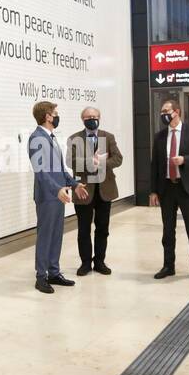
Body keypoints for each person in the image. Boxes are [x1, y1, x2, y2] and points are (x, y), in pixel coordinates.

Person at [28, 100, 88, 294]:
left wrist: (74, 183)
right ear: (47, 116)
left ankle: (54, 272)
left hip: (59, 194)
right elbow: (41, 171)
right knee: (45, 236)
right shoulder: (36, 138)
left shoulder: (51, 138)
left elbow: (61, 170)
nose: (56, 115)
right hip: (48, 196)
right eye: (54, 112)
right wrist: (57, 190)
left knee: (56, 236)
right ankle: (41, 277)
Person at [149, 98, 189, 282]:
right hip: (166, 188)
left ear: (177, 112)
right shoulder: (159, 136)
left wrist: (185, 160)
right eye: (161, 112)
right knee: (168, 230)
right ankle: (168, 266)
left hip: (187, 188)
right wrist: (153, 191)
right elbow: (154, 166)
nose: (163, 115)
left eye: (167, 111)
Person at [65, 106, 124, 276]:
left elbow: (118, 158)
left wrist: (102, 163)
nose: (92, 118)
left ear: (100, 118)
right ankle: (85, 263)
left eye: (94, 116)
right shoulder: (74, 138)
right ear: (82, 119)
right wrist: (90, 162)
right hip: (83, 190)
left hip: (105, 190)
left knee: (102, 228)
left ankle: (99, 261)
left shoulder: (108, 137)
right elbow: (71, 162)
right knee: (83, 229)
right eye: (88, 116)